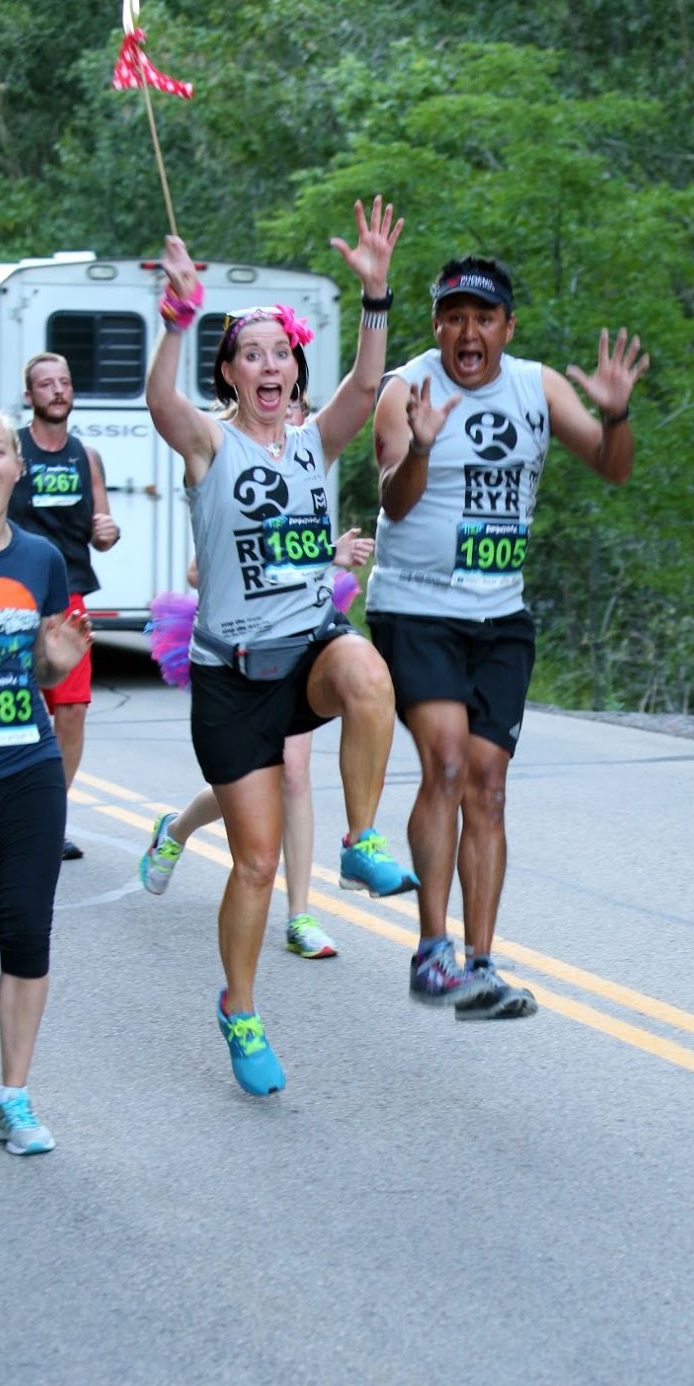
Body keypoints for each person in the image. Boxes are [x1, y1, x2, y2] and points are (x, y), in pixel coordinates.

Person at [147, 194, 417, 1097]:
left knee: (368, 673)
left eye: (279, 351)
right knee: (256, 862)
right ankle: (241, 1006)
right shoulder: (209, 446)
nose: (268, 363)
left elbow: (368, 388)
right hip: (232, 681)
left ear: (295, 367)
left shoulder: (312, 445)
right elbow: (159, 403)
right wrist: (179, 324)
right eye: (249, 353)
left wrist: (375, 297)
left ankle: (360, 836)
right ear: (229, 375)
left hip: (307, 650)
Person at [369, 255, 648, 1018]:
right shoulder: (405, 390)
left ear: (506, 328)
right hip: (415, 608)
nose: (468, 331)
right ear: (437, 325)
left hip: (500, 617)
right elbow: (392, 504)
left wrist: (616, 414)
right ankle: (432, 953)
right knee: (449, 763)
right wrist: (423, 444)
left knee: (489, 786)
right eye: (454, 316)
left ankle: (480, 967)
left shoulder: (536, 386)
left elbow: (611, 468)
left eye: (483, 318)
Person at [139, 392, 371, 961]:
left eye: (300, 409)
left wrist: (329, 557)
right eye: (286, 409)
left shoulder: (306, 462)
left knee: (294, 773)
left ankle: (299, 915)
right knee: (255, 782)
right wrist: (315, 552)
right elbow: (200, 568)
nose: (291, 418)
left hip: (301, 639)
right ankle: (177, 829)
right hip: (239, 644)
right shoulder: (225, 458)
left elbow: (306, 552)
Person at [0, 407, 92, 1153]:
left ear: (16, 468)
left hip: (28, 768)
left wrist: (54, 656)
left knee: (26, 933)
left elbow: (50, 677)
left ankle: (14, 1098)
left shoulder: (43, 559)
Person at [9, 352, 121, 861]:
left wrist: (108, 530)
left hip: (69, 592)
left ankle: (50, 817)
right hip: (12, 593)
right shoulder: (12, 452)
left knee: (71, 710)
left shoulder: (86, 455)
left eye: (65, 383)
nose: (58, 391)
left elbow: (104, 529)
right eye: (46, 384)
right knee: (9, 704)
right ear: (29, 396)